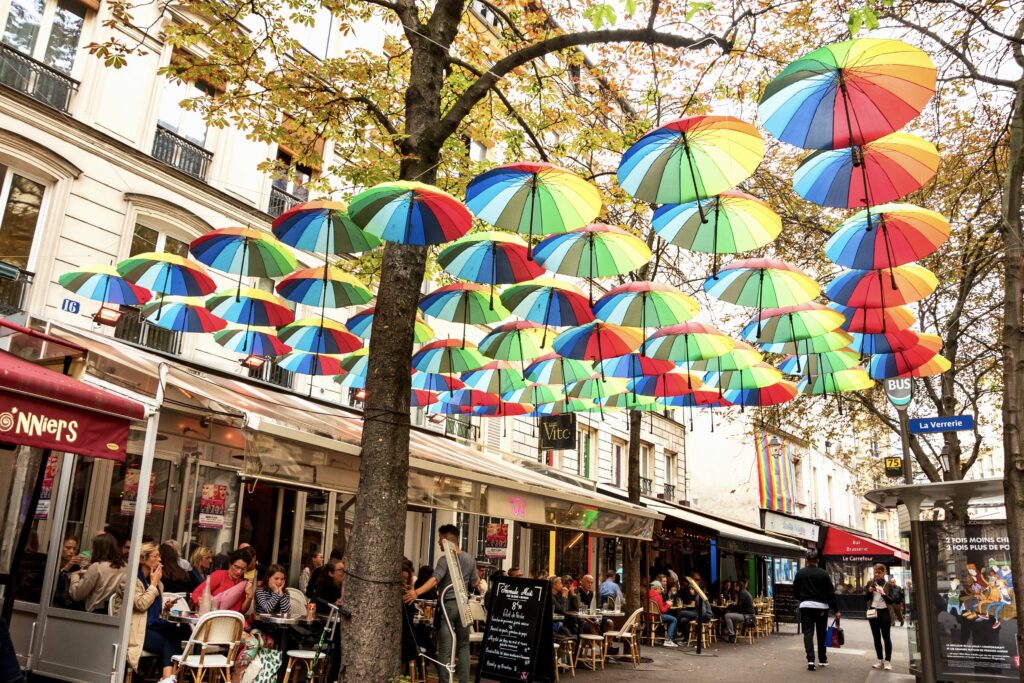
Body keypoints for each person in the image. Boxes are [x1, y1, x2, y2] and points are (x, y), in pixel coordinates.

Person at [403, 524, 478, 683]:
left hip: (448, 604)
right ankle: (464, 681)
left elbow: (435, 579)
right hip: (464, 605)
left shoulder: (445, 559)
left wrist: (416, 592)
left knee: (445, 646)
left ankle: (445, 681)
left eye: (439, 539)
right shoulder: (470, 559)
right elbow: (474, 582)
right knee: (464, 645)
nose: (438, 542)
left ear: (447, 540)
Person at [121, 542, 182, 683]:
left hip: (152, 625)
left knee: (180, 631)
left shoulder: (157, 582)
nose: (160, 560)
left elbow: (153, 611)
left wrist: (165, 607)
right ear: (143, 559)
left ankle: (168, 678)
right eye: (156, 556)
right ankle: (168, 678)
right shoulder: (130, 581)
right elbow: (141, 605)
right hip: (136, 630)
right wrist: (154, 585)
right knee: (170, 642)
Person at [793, 553, 840, 671]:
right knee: (821, 633)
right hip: (821, 607)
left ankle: (810, 660)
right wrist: (836, 610)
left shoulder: (800, 573)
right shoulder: (824, 574)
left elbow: (795, 590)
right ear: (818, 560)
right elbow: (830, 593)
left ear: (807, 560)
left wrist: (802, 599)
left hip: (806, 606)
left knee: (808, 632)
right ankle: (823, 659)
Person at [68, 532, 125, 613]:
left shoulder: (97, 567)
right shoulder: (125, 567)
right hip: (114, 613)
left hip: (95, 613)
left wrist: (74, 576)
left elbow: (77, 594)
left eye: (94, 547)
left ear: (99, 549)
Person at [191, 549, 254, 614]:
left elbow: (242, 611)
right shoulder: (220, 575)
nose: (239, 572)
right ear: (230, 564)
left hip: (233, 619)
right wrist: (207, 608)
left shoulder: (242, 584)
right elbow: (196, 593)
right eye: (236, 567)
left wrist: (249, 597)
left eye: (243, 569)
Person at [866, 564, 895, 670]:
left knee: (886, 637)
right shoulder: (870, 583)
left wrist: (882, 593)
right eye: (875, 572)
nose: (877, 574)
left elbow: (892, 601)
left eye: (879, 572)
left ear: (884, 573)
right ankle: (880, 660)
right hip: (873, 611)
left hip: (884, 612)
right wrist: (869, 592)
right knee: (876, 638)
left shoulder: (888, 585)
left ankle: (887, 661)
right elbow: (865, 599)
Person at [647, 580, 678, 646]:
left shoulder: (647, 594)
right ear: (657, 588)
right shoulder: (658, 596)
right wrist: (668, 605)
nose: (661, 590)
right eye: (660, 588)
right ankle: (668, 640)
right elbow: (663, 610)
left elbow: (656, 605)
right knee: (674, 619)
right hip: (656, 616)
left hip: (646, 616)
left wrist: (665, 603)